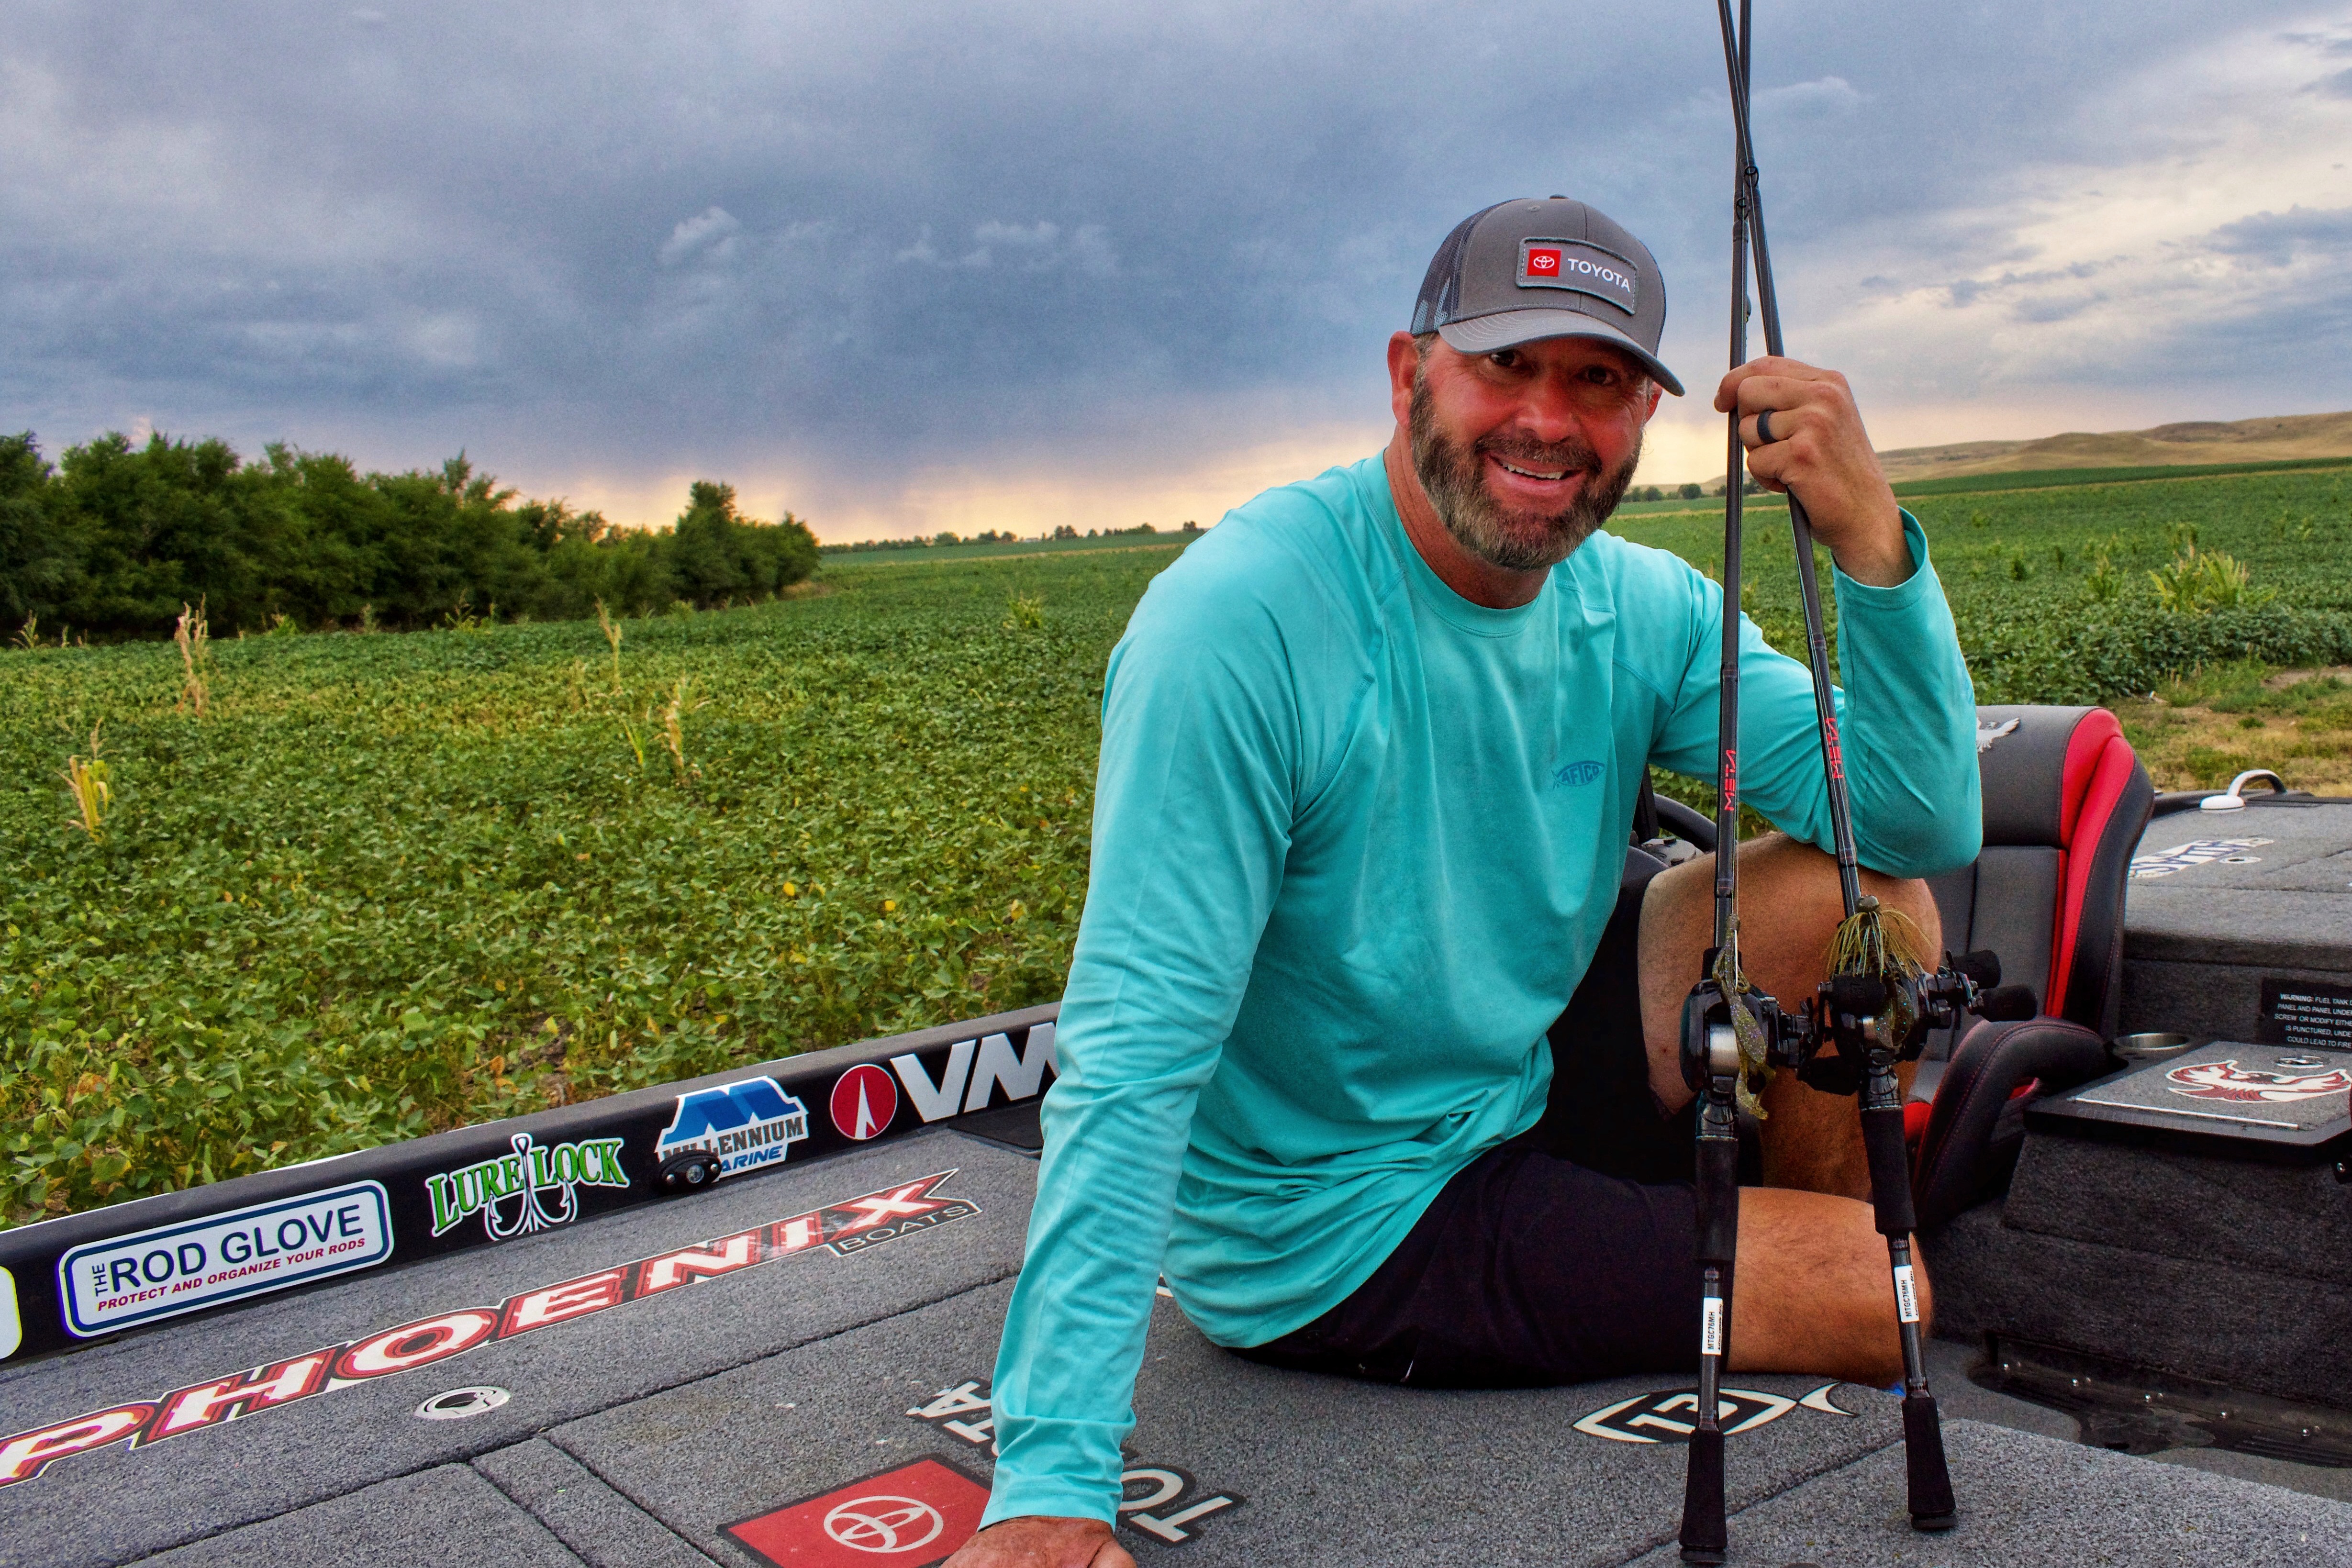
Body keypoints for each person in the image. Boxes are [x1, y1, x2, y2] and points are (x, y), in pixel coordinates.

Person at [945, 197, 1981, 1568]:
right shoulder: (1243, 623)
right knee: (1878, 1288)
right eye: (1505, 365)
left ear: (1641, 417)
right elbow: (1135, 1051)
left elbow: (1911, 815)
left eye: (1598, 382)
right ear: (1405, 373)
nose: (1548, 421)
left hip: (1510, 1077)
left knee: (1861, 910)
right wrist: (1052, 1488)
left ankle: (1739, 1245)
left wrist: (1872, 545)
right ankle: (1787, 1273)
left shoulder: (1634, 607)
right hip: (1341, 1213)